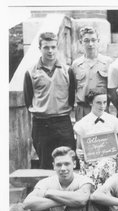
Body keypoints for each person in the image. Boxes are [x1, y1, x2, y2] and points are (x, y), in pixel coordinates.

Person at [23, 32, 76, 169]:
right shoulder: (31, 72)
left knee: (67, 163)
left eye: (53, 47)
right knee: (45, 164)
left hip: (63, 122)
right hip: (42, 124)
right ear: (39, 48)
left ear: (57, 47)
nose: (50, 51)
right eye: (46, 47)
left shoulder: (67, 71)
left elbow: (71, 97)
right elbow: (28, 100)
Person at [73, 87, 118, 188]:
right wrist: (79, 153)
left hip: (109, 161)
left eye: (105, 102)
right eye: (98, 102)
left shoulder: (114, 121)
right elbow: (78, 148)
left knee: (104, 165)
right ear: (91, 103)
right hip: (90, 162)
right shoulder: (82, 124)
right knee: (96, 168)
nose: (102, 106)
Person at [71, 26, 113, 122]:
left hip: (101, 109)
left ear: (98, 41)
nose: (90, 44)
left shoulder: (107, 62)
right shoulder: (76, 64)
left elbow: (111, 89)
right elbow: (73, 88)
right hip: (83, 109)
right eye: (86, 40)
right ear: (81, 42)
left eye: (93, 40)